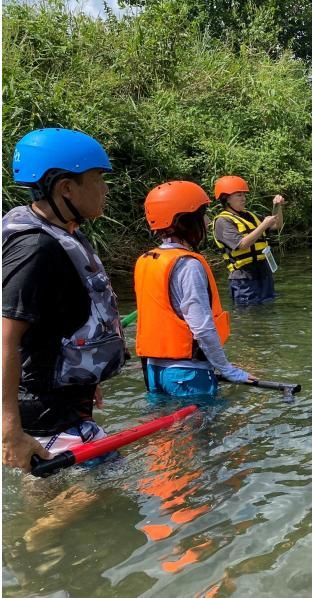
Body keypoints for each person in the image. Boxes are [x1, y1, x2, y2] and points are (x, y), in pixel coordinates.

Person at [2, 128, 126, 473]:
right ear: (66, 188)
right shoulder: (35, 249)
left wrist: (88, 380)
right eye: (98, 178)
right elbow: (6, 339)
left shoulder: (63, 236)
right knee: (106, 482)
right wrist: (9, 429)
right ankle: (38, 530)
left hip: (61, 401)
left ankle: (33, 528)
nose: (105, 189)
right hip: (46, 406)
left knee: (47, 493)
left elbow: (63, 320)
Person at [134, 180, 255, 398]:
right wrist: (227, 369)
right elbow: (202, 327)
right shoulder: (189, 265)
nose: (208, 222)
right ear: (184, 221)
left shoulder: (146, 260)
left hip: (153, 370)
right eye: (203, 215)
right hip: (188, 374)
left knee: (169, 432)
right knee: (207, 432)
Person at [211, 176, 285, 306]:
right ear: (227, 199)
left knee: (269, 310)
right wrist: (263, 225)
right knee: (249, 315)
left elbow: (276, 225)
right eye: (239, 195)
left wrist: (277, 206)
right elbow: (242, 245)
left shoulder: (250, 216)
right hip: (243, 277)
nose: (244, 198)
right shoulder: (222, 221)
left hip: (263, 272)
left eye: (244, 195)